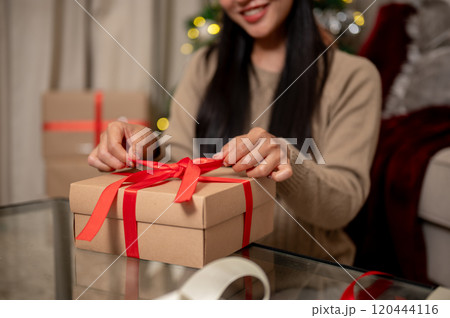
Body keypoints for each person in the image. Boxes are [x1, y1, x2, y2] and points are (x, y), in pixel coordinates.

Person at [87, 0, 381, 265]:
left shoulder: (354, 77)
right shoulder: (205, 66)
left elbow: (343, 205)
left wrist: (287, 159)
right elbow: (181, 159)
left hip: (310, 283)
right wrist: (146, 149)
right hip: (215, 279)